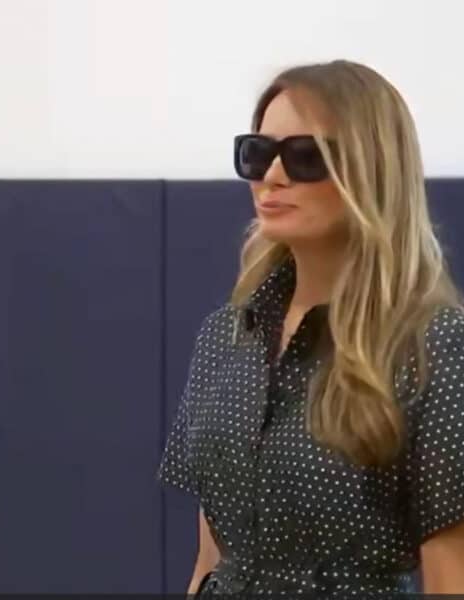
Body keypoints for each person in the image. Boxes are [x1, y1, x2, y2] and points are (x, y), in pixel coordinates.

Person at [159, 60, 464, 595]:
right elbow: (211, 560)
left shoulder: (432, 345)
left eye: (305, 157)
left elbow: (451, 577)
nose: (272, 176)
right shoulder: (225, 337)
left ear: (372, 170)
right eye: (257, 153)